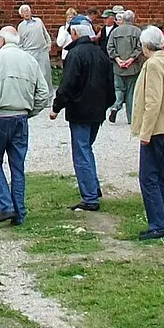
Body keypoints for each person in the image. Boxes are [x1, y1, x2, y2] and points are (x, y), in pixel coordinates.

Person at [0, 24, 52, 226]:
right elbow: (44, 93)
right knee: (17, 167)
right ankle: (19, 212)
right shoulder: (30, 60)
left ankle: (5, 206)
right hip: (20, 118)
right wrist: (29, 112)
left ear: (1, 41)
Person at [51, 14, 113, 211]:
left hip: (80, 110)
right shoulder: (101, 54)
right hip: (97, 111)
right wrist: (105, 105)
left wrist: (56, 106)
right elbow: (111, 87)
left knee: (81, 152)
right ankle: (93, 187)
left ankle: (90, 197)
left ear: (75, 33)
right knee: (87, 148)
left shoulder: (75, 55)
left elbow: (67, 84)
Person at [131, 25, 164, 239]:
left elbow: (153, 101)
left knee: (148, 176)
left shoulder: (153, 65)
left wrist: (145, 132)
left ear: (146, 45)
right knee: (161, 174)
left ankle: (157, 223)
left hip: (156, 127)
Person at [106, 8, 143, 122]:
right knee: (131, 92)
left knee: (118, 89)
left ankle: (115, 106)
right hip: (133, 67)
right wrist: (130, 59)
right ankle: (131, 118)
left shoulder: (115, 31)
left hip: (118, 66)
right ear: (133, 19)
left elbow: (109, 47)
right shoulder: (137, 31)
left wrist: (118, 59)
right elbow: (140, 47)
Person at [16, 4, 52, 95]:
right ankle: (33, 95)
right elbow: (20, 42)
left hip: (42, 51)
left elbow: (45, 33)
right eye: (24, 11)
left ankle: (48, 96)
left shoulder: (38, 21)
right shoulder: (21, 26)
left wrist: (49, 44)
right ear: (21, 15)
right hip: (30, 52)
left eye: (27, 10)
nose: (26, 13)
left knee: (45, 74)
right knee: (32, 75)